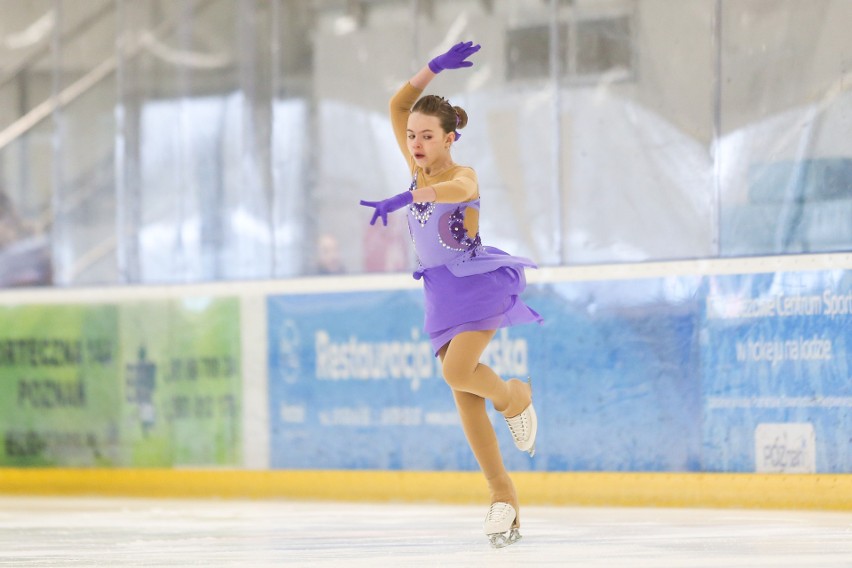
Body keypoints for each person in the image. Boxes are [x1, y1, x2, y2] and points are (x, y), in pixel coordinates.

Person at [359, 41, 542, 548]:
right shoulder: (417, 163)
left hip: (475, 282)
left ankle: (515, 397)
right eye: (412, 136)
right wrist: (433, 68)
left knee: (457, 372)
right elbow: (398, 105)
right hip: (439, 292)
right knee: (464, 398)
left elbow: (458, 193)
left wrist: (412, 194)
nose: (415, 142)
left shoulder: (461, 175)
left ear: (449, 137)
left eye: (426, 136)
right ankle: (502, 497)